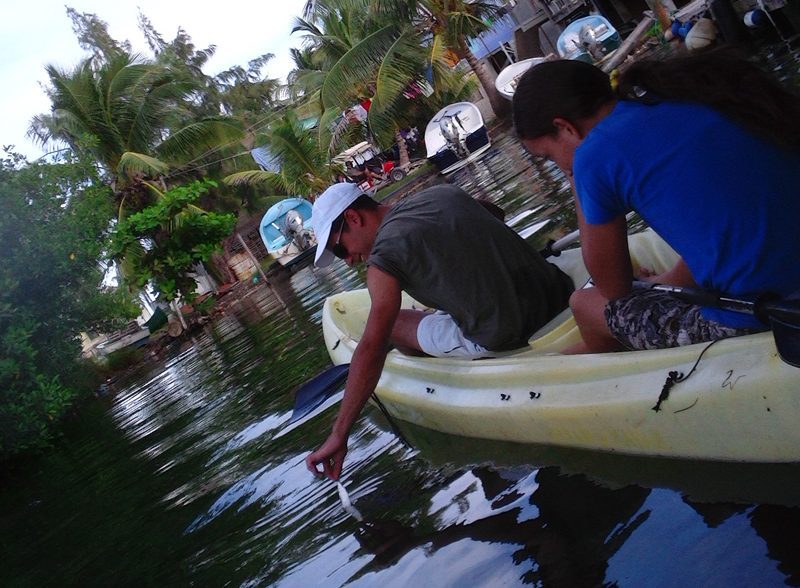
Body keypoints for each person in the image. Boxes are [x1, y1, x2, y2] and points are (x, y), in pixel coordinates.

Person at [511, 49, 800, 353]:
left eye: (549, 157)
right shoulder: (691, 95)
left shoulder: (595, 155)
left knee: (583, 304)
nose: (560, 166)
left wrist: (576, 179)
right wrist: (668, 281)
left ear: (565, 128)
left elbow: (613, 288)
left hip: (766, 316)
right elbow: (726, 223)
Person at [306, 182, 574, 479]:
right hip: (557, 290)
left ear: (354, 218)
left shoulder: (383, 262)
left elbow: (371, 347)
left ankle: (439, 372)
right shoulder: (442, 193)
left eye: (340, 248)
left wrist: (339, 434)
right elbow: (494, 213)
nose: (348, 259)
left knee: (392, 324)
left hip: (506, 331)